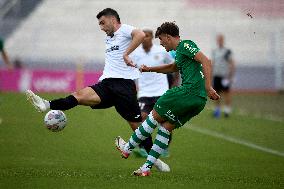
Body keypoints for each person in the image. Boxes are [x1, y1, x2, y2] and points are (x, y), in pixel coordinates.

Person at [25, 8, 169, 172]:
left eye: (102, 23)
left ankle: (154, 161)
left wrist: (126, 54)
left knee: (138, 127)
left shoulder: (124, 29)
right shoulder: (109, 39)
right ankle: (47, 104)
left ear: (113, 20)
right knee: (79, 95)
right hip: (106, 84)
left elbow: (141, 35)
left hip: (124, 86)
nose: (101, 27)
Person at [115, 22, 220, 176]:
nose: (161, 43)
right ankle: (146, 169)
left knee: (152, 119)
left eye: (162, 40)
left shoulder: (185, 45)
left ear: (168, 37)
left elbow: (206, 61)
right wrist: (150, 68)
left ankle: (127, 148)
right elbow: (172, 68)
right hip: (199, 101)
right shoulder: (180, 53)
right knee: (165, 128)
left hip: (188, 92)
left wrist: (209, 86)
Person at [131, 29, 177, 158]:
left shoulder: (161, 51)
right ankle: (144, 148)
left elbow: (175, 66)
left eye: (147, 36)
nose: (145, 38)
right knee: (142, 119)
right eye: (143, 36)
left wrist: (174, 85)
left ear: (152, 38)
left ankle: (164, 149)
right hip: (144, 93)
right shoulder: (135, 53)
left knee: (165, 121)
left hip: (161, 91)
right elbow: (131, 70)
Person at [212, 34, 235, 118]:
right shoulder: (215, 51)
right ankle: (217, 110)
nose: (219, 41)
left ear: (223, 40)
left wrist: (230, 75)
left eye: (221, 39)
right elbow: (213, 63)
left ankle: (227, 110)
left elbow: (232, 63)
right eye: (218, 39)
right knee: (216, 93)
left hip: (225, 76)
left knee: (226, 93)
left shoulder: (227, 51)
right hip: (216, 75)